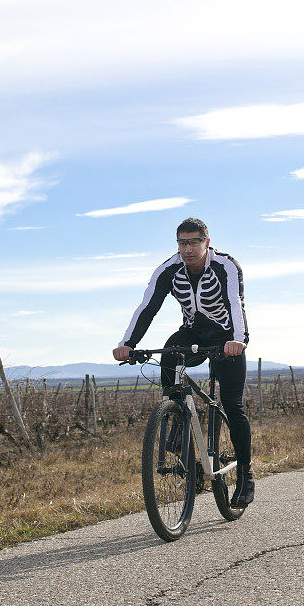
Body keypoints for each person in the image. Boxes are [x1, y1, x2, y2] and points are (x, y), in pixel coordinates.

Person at [112, 217, 254, 508]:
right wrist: (128, 344)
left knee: (233, 404)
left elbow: (236, 303)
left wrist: (239, 340)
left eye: (194, 242)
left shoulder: (225, 266)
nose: (188, 249)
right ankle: (176, 426)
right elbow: (148, 307)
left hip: (226, 337)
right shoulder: (169, 269)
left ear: (207, 242)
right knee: (168, 354)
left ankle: (245, 476)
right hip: (194, 332)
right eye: (182, 243)